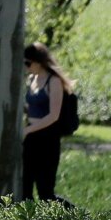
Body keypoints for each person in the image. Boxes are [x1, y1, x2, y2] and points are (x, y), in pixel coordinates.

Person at [23, 43, 74, 203]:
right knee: (24, 188)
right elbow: (33, 108)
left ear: (38, 62)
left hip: (47, 139)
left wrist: (27, 130)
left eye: (27, 63)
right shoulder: (32, 79)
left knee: (46, 193)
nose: (26, 67)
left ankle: (75, 217)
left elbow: (53, 115)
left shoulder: (54, 81)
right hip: (31, 138)